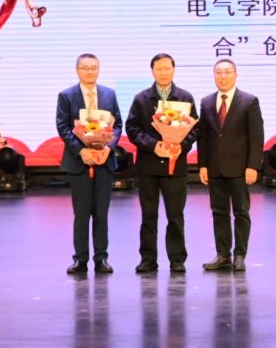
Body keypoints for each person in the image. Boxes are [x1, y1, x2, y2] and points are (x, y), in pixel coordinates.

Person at [124, 52, 196, 275]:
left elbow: (195, 129)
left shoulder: (185, 97)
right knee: (148, 216)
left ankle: (177, 259)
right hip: (148, 166)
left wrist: (181, 145)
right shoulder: (141, 99)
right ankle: (148, 259)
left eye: (167, 68)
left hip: (175, 166)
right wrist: (154, 145)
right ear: (152, 71)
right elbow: (132, 128)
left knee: (175, 216)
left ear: (174, 70)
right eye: (159, 69)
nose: (163, 72)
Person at [56, 52, 122, 276]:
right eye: (85, 68)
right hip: (79, 163)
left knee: (101, 213)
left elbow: (117, 125)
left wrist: (108, 147)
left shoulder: (109, 94)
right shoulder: (66, 96)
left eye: (94, 68)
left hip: (104, 162)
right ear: (77, 70)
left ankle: (101, 258)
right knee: (82, 214)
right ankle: (80, 259)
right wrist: (81, 150)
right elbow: (63, 127)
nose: (90, 72)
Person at [195, 58, 264, 271]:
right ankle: (223, 255)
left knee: (241, 212)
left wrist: (253, 166)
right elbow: (203, 137)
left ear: (236, 75)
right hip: (215, 167)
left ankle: (240, 255)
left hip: (240, 168)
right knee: (219, 212)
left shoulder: (249, 101)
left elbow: (256, 136)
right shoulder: (206, 102)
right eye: (219, 73)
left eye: (227, 72)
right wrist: (202, 165)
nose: (223, 76)